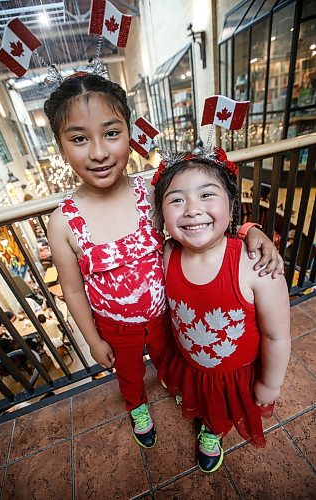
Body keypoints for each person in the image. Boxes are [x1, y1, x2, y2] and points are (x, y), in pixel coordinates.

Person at [44, 72, 283, 449]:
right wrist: (92, 340)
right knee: (130, 373)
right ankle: (135, 404)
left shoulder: (151, 191)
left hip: (169, 315)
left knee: (174, 362)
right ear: (60, 147)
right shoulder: (62, 223)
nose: (99, 152)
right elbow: (73, 289)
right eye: (78, 139)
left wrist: (249, 230)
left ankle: (180, 389)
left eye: (111, 133)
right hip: (115, 326)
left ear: (128, 133)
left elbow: (196, 228)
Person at [153, 150, 291, 473]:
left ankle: (213, 431)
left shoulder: (255, 264)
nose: (193, 210)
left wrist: (270, 384)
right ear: (160, 213)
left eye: (206, 195)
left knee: (220, 409)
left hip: (233, 373)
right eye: (176, 200)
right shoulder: (166, 255)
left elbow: (277, 334)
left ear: (231, 205)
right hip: (192, 362)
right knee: (200, 395)